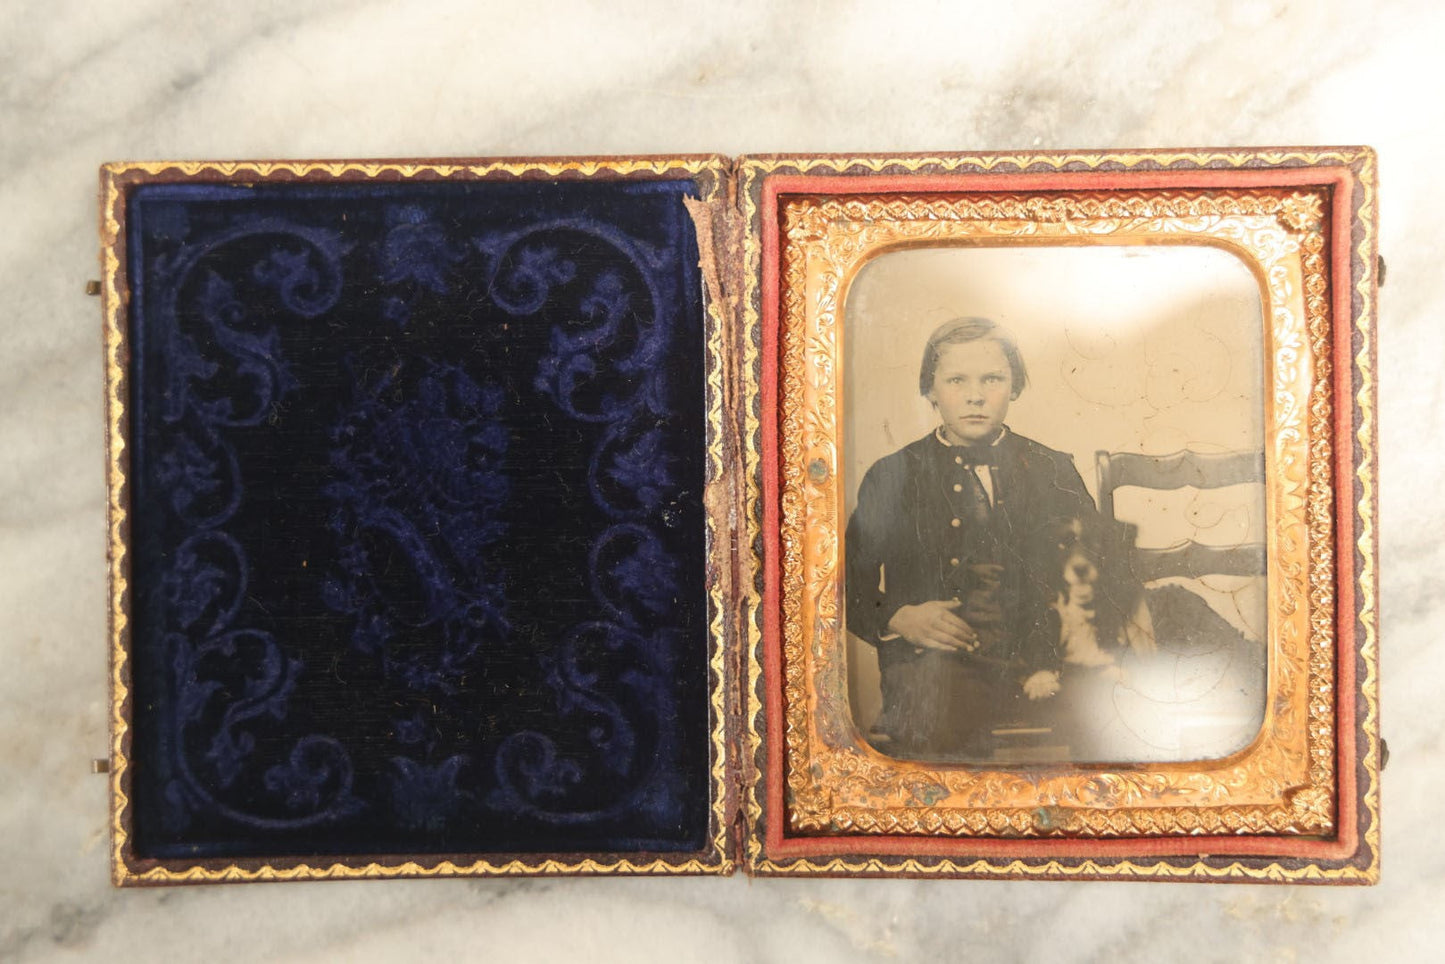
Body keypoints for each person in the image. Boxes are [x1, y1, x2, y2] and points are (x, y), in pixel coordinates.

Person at [845, 316, 1096, 759]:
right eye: (956, 379)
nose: (975, 395)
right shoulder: (893, 476)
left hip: (1042, 656)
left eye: (993, 379)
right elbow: (843, 584)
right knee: (941, 722)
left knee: (1114, 714)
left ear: (1015, 387)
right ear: (930, 389)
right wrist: (897, 618)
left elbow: (1095, 571)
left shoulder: (1052, 469)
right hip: (932, 666)